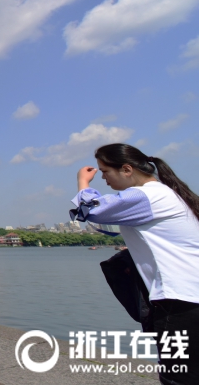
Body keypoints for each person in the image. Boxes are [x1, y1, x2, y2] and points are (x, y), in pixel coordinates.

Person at [71, 143, 199, 384]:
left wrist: (83, 183)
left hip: (179, 303)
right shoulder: (168, 193)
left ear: (127, 169)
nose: (104, 179)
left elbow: (94, 210)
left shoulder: (147, 195)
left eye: (105, 171)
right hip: (191, 298)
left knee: (178, 378)